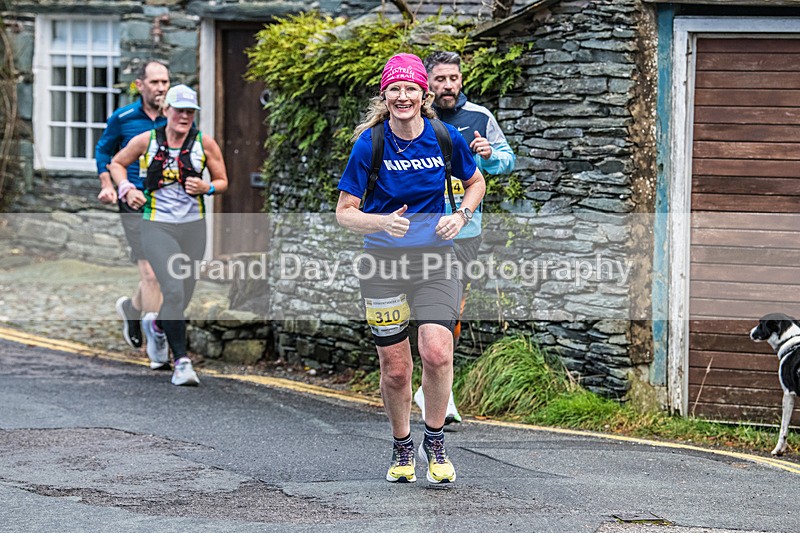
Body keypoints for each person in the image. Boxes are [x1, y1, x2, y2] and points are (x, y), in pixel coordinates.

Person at [336, 53, 485, 484]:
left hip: (436, 259)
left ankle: (434, 441)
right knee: (396, 369)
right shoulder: (371, 143)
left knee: (437, 351)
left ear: (424, 95)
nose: (403, 96)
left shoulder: (445, 137)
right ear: (385, 95)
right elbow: (345, 212)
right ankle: (402, 445)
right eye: (395, 89)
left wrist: (460, 216)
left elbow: (475, 182)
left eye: (411, 89)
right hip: (382, 263)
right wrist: (382, 221)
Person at [414, 50, 517, 424]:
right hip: (419, 228)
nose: (447, 86)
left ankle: (436, 386)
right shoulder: (419, 117)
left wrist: (488, 155)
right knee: (430, 305)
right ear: (428, 82)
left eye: (453, 78)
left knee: (450, 305)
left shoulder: (479, 117)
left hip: (464, 229)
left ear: (461, 79)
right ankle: (435, 385)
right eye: (439, 79)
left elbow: (506, 161)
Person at [108, 85, 228, 386]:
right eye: (179, 110)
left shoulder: (205, 143)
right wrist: (127, 188)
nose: (184, 116)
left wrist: (207, 188)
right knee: (172, 290)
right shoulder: (146, 140)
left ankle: (158, 325)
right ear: (166, 112)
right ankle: (182, 363)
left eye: (190, 112)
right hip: (156, 224)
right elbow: (117, 163)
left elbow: (223, 180)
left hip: (193, 227)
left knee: (184, 294)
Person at [96, 61, 169, 351]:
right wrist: (107, 183)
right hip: (134, 200)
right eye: (155, 82)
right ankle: (158, 344)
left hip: (167, 200)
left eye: (165, 81)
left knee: (165, 272)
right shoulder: (123, 117)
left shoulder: (176, 118)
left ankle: (133, 309)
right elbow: (104, 150)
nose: (161, 87)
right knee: (151, 273)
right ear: (140, 85)